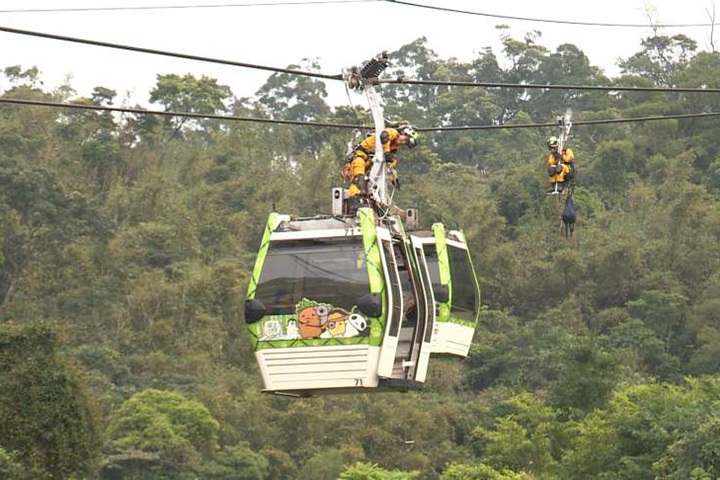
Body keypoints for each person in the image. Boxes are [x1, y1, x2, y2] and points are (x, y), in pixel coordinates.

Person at [342, 124, 418, 210]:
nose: (403, 142)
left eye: (406, 143)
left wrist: (394, 177)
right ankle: (355, 202)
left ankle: (372, 205)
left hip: (370, 162)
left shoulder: (393, 147)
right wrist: (386, 152)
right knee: (359, 179)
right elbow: (384, 136)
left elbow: (391, 161)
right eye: (405, 139)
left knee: (371, 185)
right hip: (360, 157)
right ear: (403, 133)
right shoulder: (393, 133)